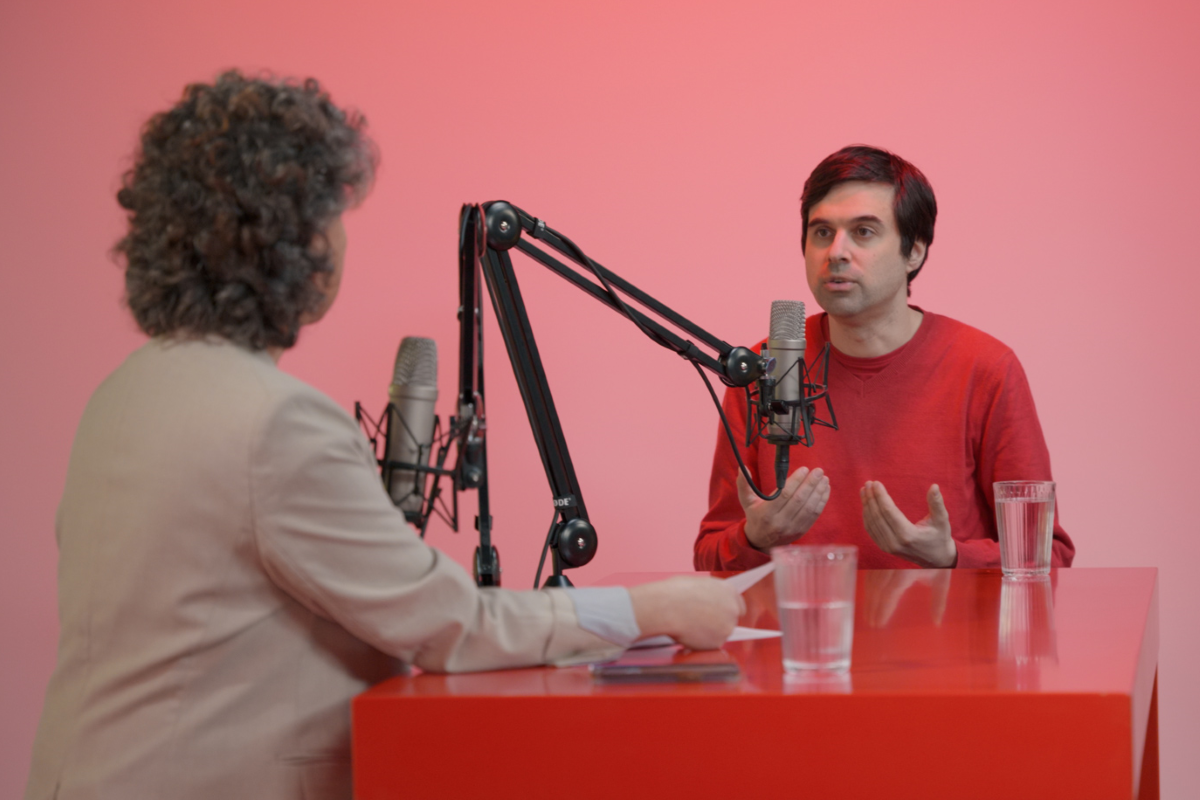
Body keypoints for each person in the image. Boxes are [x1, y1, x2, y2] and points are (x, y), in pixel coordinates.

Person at [25, 71, 743, 800]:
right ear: (295, 238)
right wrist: (651, 609)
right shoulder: (276, 422)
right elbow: (445, 623)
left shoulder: (124, 393)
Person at [695, 145, 1075, 571]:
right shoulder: (763, 369)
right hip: (803, 632)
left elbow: (1048, 556)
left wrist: (950, 556)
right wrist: (755, 538)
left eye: (863, 232)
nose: (836, 252)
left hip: (941, 635)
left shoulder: (985, 368)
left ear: (914, 251)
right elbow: (710, 554)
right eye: (822, 232)